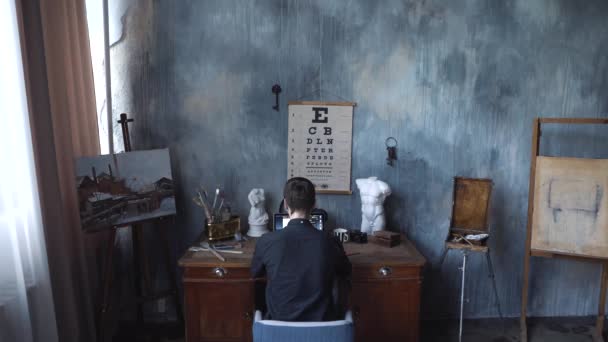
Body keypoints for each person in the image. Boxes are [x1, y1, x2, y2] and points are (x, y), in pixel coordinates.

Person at [251, 177, 352, 321]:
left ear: (286, 204)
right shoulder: (330, 241)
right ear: (314, 203)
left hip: (278, 329)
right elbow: (346, 270)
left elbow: (255, 273)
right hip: (322, 329)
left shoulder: (266, 241)